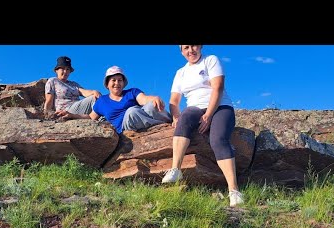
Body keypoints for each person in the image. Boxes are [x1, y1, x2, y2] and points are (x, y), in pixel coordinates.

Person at [161, 45, 244, 207]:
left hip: (220, 107)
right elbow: (174, 101)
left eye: (193, 46)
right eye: (185, 47)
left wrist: (209, 115)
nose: (190, 50)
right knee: (184, 117)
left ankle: (234, 191)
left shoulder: (210, 60)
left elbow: (218, 87)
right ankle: (175, 170)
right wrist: (176, 116)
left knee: (218, 140)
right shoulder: (181, 73)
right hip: (195, 108)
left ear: (200, 46)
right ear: (181, 51)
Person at [88, 66, 172, 134]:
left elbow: (143, 99)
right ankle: (160, 127)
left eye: (120, 80)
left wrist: (153, 98)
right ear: (107, 84)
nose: (117, 83)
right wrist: (74, 116)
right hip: (125, 128)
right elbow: (90, 117)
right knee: (131, 112)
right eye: (113, 80)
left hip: (140, 119)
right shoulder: (102, 101)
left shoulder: (132, 92)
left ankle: (172, 122)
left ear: (123, 83)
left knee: (151, 105)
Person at [44, 56, 101, 120]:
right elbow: (49, 100)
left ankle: (103, 118)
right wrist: (46, 115)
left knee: (98, 97)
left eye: (68, 69)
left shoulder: (73, 84)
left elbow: (84, 92)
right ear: (57, 70)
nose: (65, 71)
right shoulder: (53, 81)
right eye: (62, 68)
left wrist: (94, 92)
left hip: (76, 108)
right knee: (93, 99)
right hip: (65, 110)